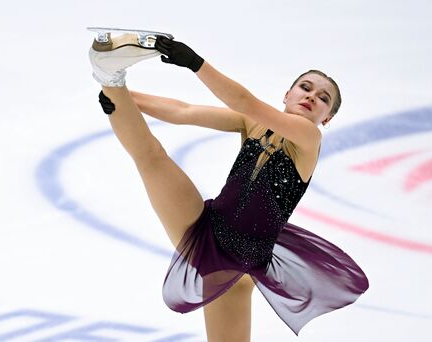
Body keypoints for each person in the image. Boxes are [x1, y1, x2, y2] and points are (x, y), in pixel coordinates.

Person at [88, 32, 369, 341]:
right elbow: (184, 111)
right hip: (205, 226)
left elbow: (244, 101)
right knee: (151, 157)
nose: (312, 96)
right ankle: (110, 75)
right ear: (286, 94)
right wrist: (123, 97)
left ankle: (112, 81)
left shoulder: (308, 139)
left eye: (323, 99)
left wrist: (195, 63)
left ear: (325, 119)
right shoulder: (252, 123)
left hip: (239, 263)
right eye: (306, 87)